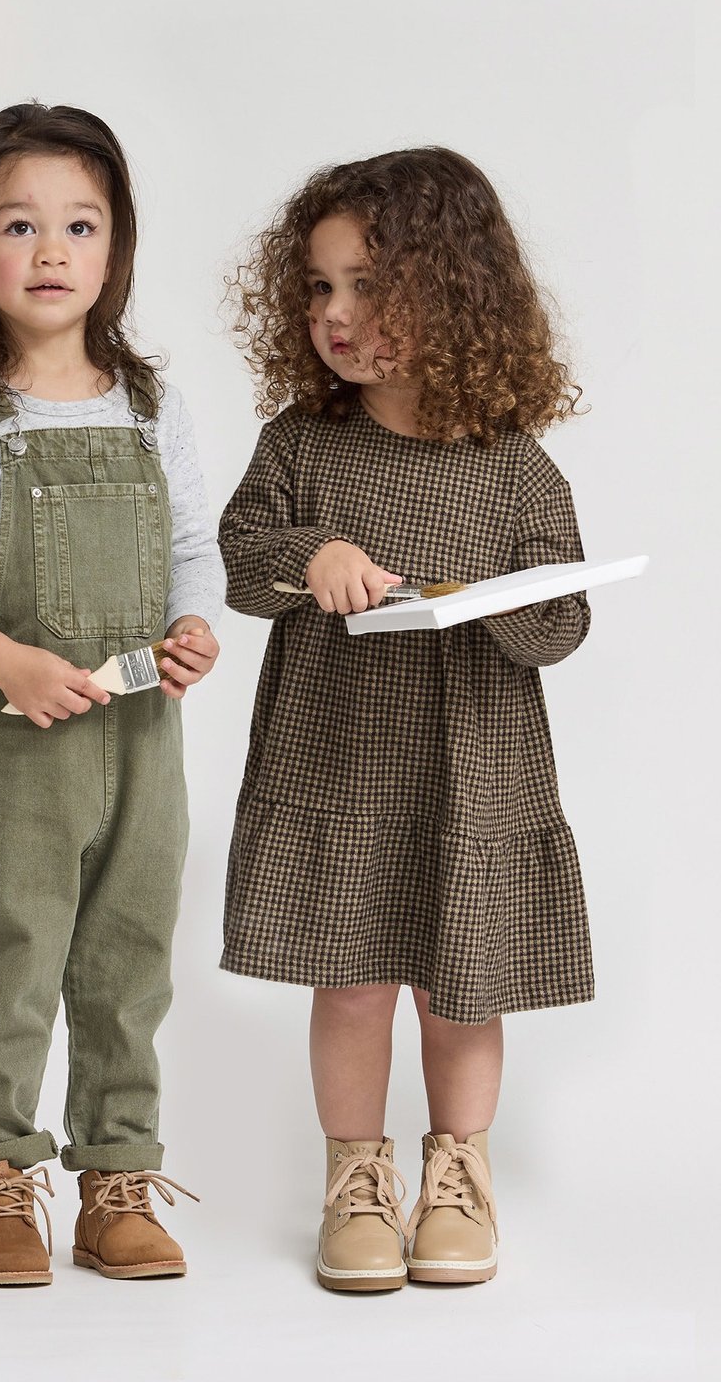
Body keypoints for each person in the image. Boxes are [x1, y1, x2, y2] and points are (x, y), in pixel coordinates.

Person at [219, 146, 591, 1291]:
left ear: (456, 291)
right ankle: (356, 1180)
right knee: (351, 979)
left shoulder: (514, 466)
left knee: (460, 984)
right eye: (318, 287)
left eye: (367, 286)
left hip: (473, 766)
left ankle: (459, 1173)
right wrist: (311, 554)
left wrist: (509, 604)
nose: (334, 314)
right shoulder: (301, 443)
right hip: (339, 759)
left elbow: (564, 618)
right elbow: (240, 561)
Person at [0, 102, 225, 1287]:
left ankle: (116, 1176)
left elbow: (193, 547)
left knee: (131, 958)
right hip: (7, 743)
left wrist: (194, 625)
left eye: (80, 225)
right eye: (19, 225)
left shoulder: (151, 404)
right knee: (15, 957)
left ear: (115, 246)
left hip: (141, 736)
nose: (51, 251)